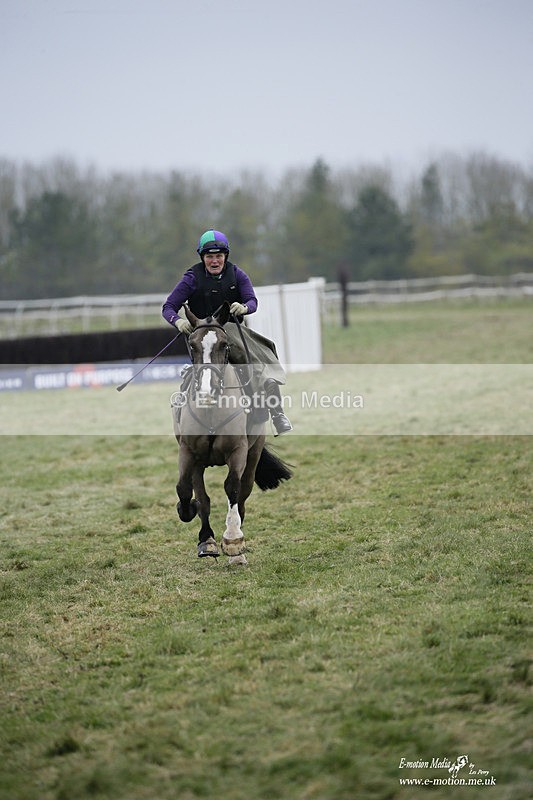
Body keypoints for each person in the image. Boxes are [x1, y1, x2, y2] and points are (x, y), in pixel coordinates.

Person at [162, 229, 293, 435]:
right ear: (203, 258)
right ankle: (182, 406)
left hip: (233, 333)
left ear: (225, 256)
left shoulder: (237, 274)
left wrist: (244, 308)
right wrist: (178, 322)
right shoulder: (191, 278)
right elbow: (168, 307)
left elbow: (253, 301)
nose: (214, 261)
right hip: (203, 338)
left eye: (219, 256)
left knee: (259, 364)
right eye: (209, 257)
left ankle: (277, 413)